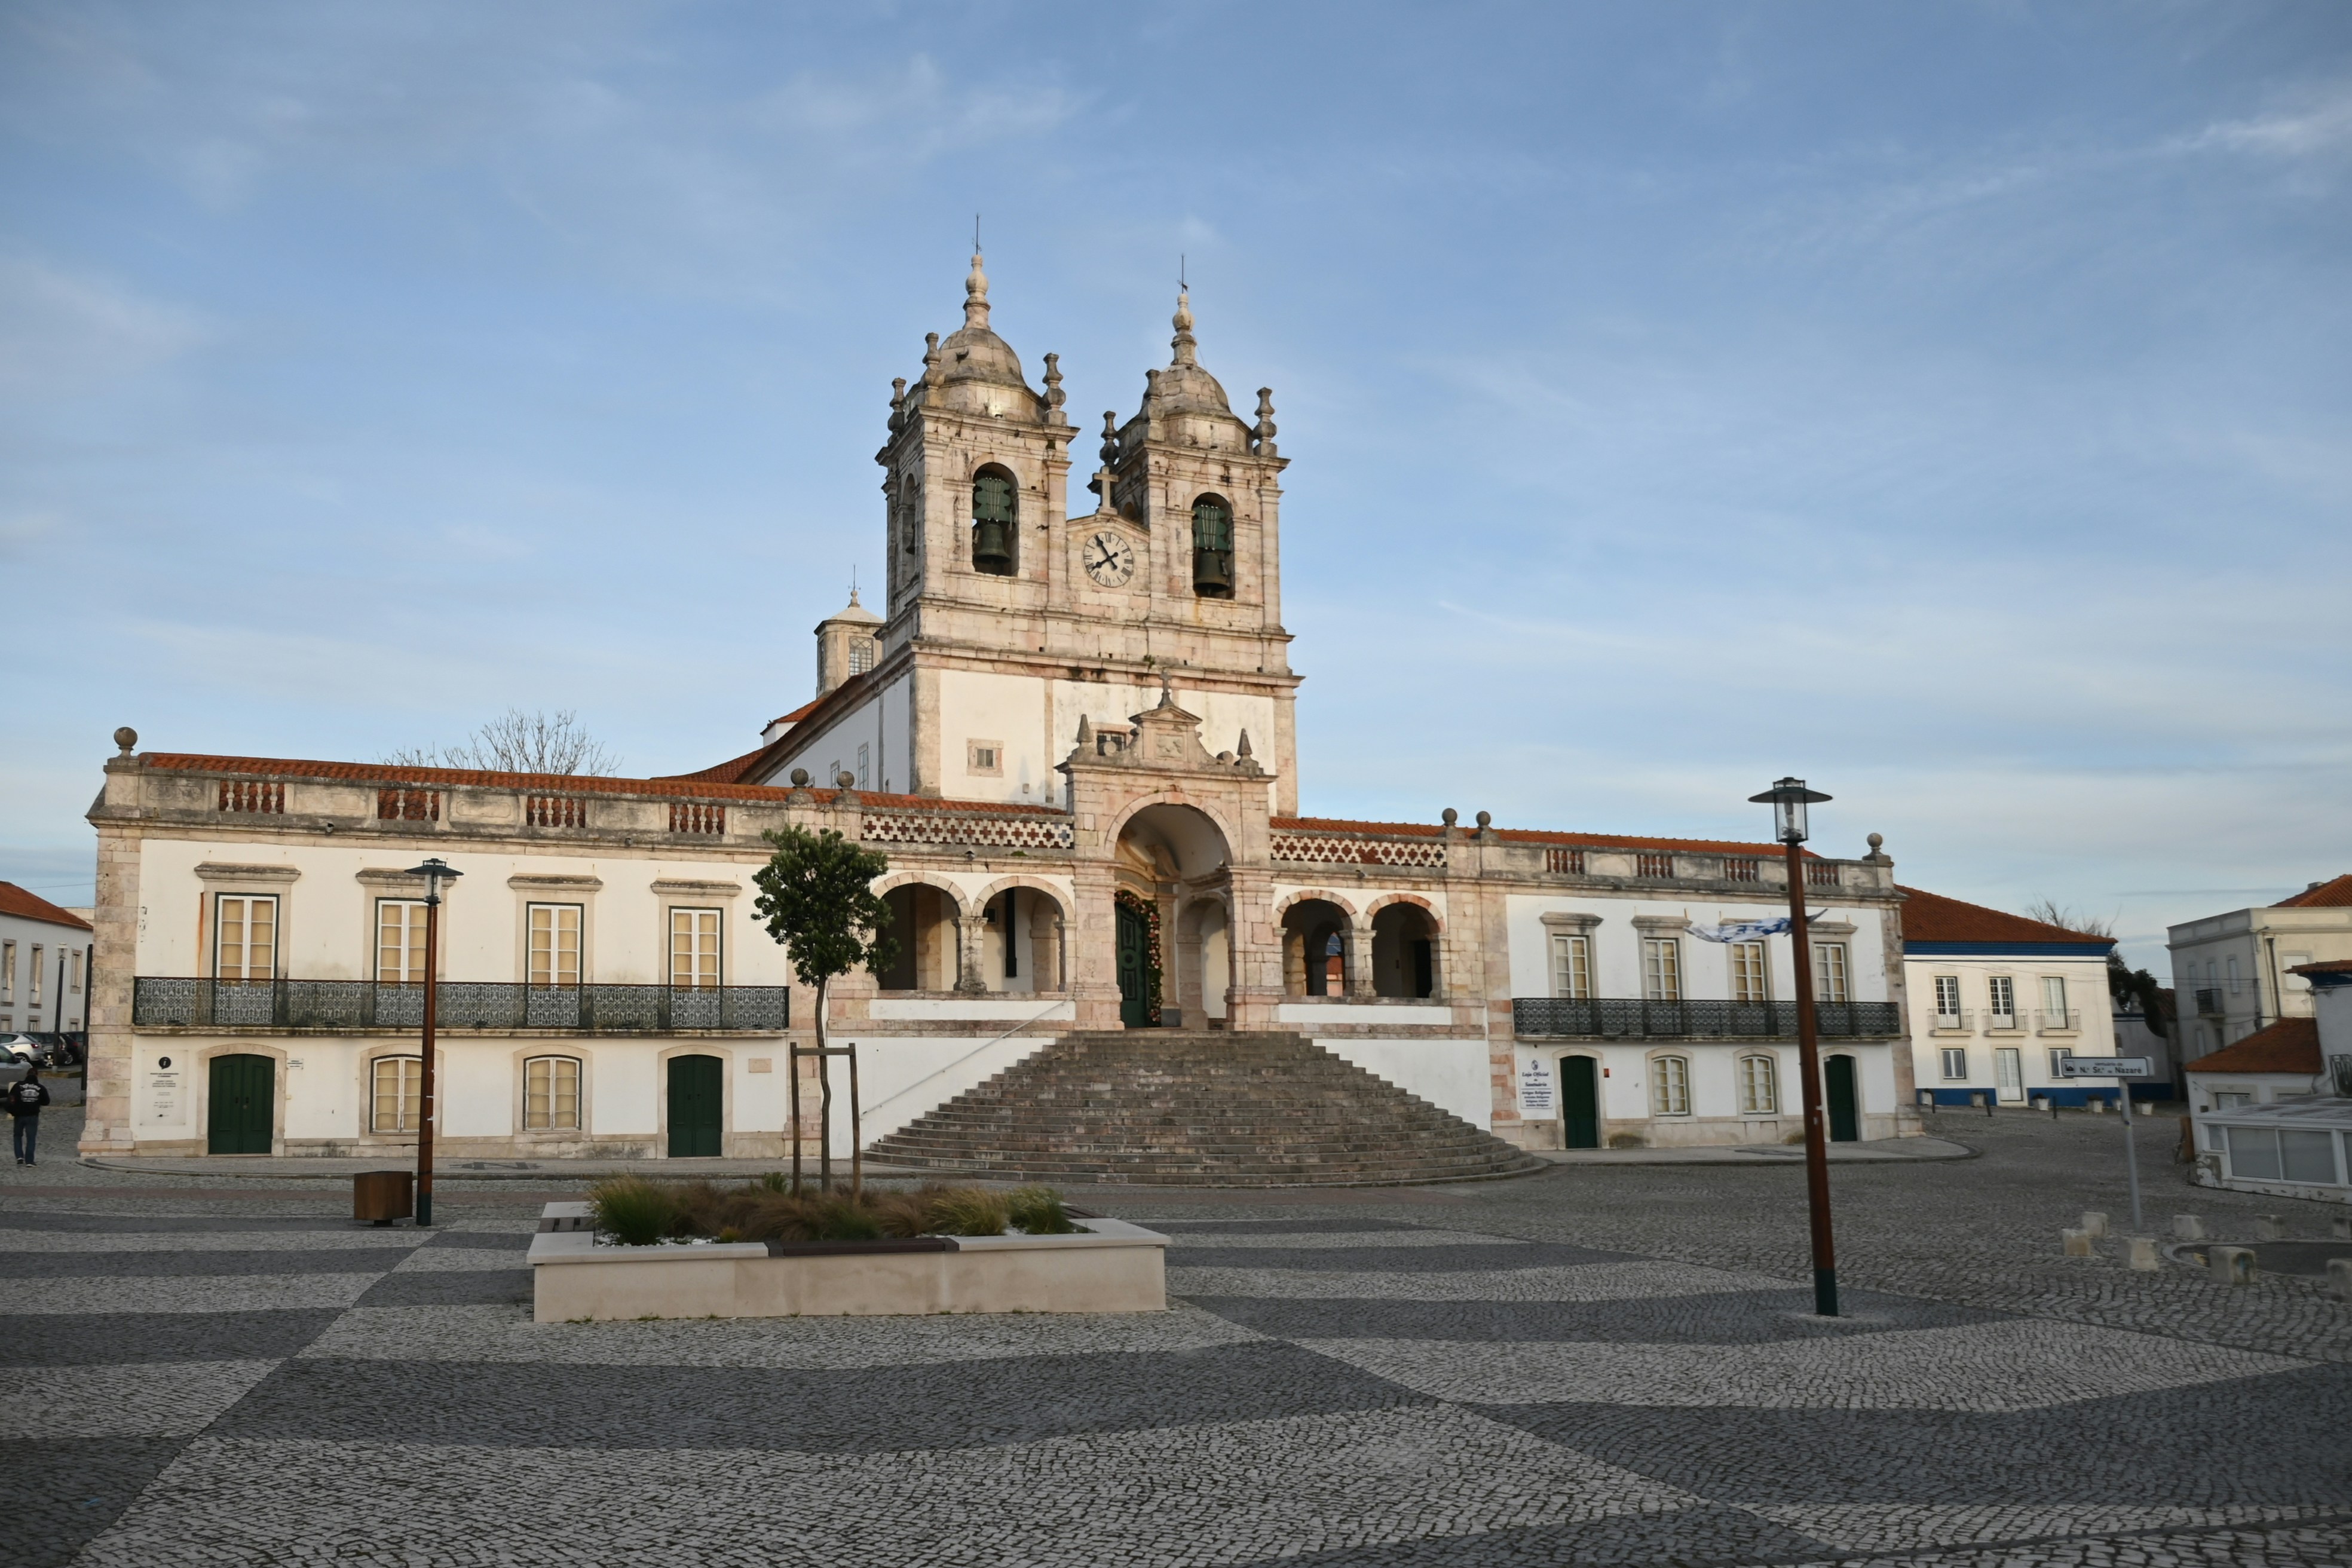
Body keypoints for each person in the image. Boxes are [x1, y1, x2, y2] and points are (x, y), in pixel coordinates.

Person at [7, 1067, 50, 1166]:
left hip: (19, 1116)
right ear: (37, 1076)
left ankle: (19, 1157)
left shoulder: (18, 1086)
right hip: (33, 1116)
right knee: (31, 1138)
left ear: (27, 1075)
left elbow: (10, 1100)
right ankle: (30, 1161)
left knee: (18, 1136)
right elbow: (46, 1101)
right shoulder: (40, 1087)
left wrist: (13, 1111)